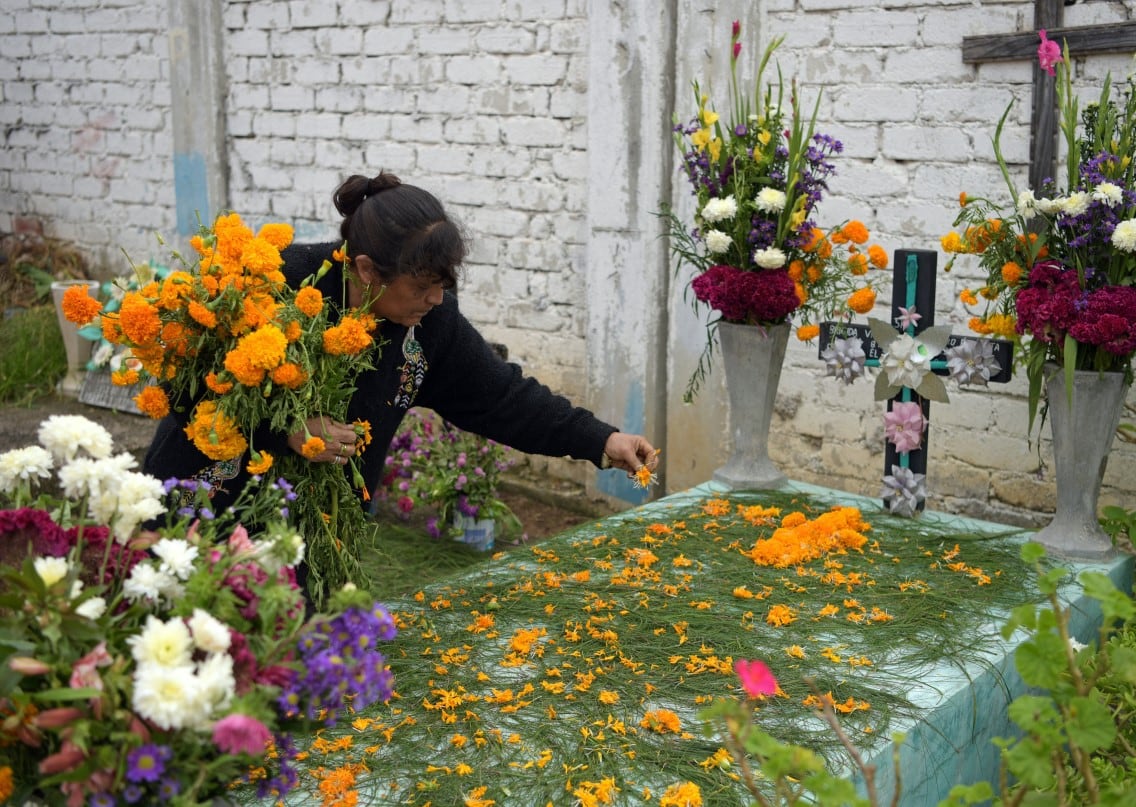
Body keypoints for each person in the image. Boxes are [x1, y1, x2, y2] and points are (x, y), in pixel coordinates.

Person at [143, 171, 658, 520]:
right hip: (205, 508)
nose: (436, 298)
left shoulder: (428, 325)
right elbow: (184, 380)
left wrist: (599, 439)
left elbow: (499, 397)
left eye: (443, 284)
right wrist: (286, 427)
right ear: (366, 270)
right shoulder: (274, 282)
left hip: (313, 534)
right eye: (421, 285)